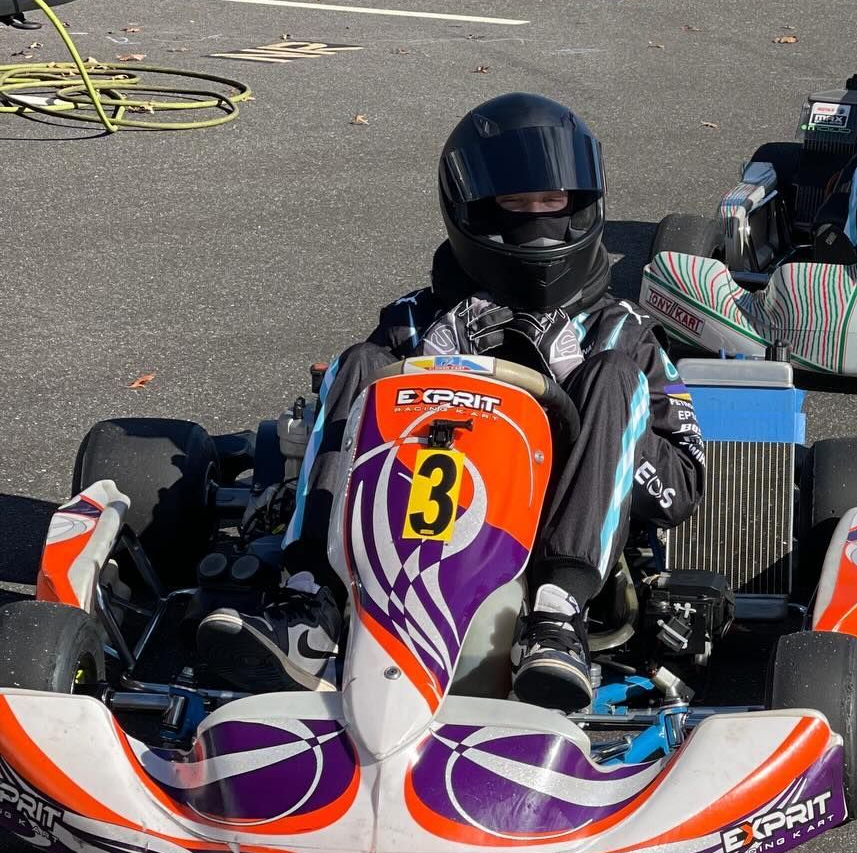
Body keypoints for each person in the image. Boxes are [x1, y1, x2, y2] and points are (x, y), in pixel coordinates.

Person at [197, 93, 706, 715]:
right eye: (514, 206)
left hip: (547, 534)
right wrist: (433, 364)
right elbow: (357, 411)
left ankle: (555, 620)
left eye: (551, 204)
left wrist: (573, 381)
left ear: (582, 208)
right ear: (472, 212)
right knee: (361, 365)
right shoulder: (416, 320)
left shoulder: (620, 334)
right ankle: (309, 601)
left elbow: (679, 490)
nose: (536, 220)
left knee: (611, 379)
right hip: (407, 521)